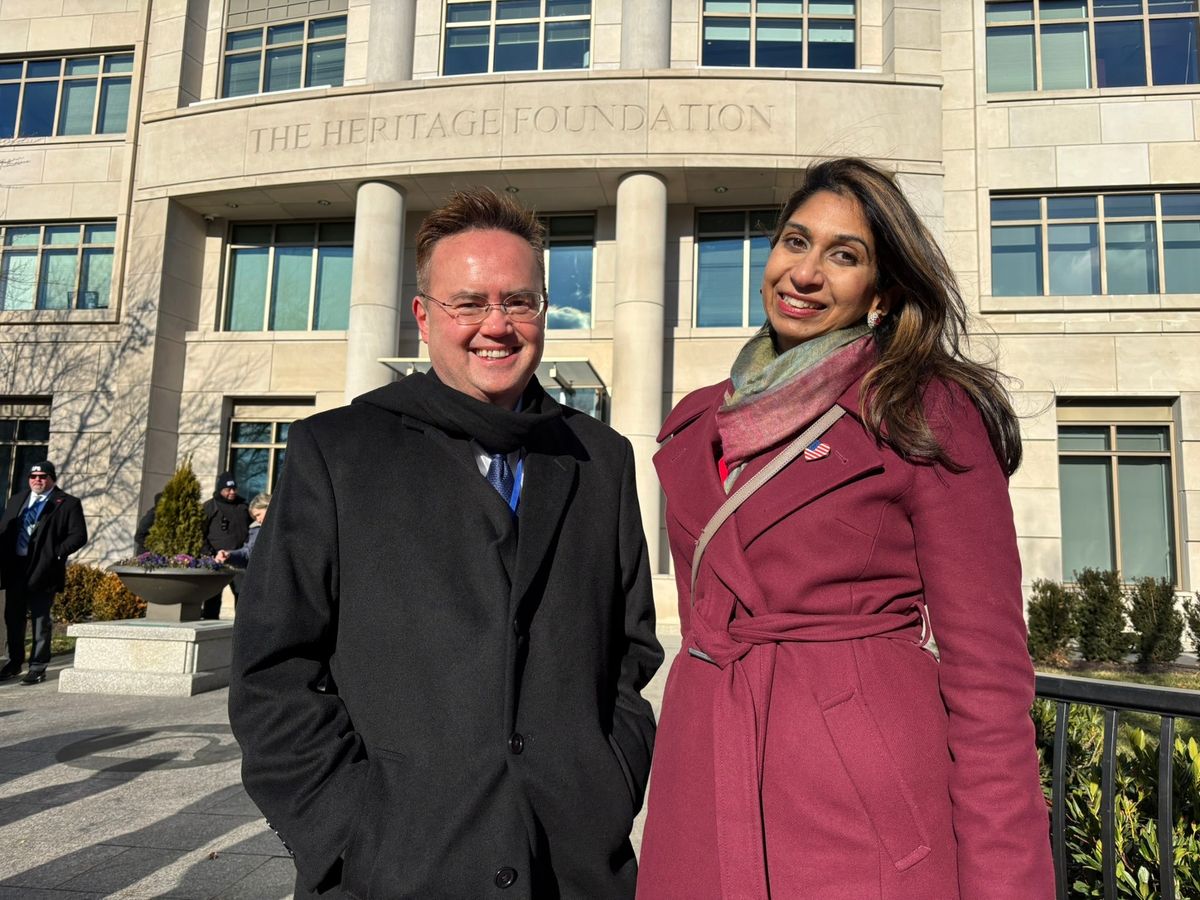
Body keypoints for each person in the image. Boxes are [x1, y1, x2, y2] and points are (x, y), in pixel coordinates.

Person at [228, 187, 663, 899]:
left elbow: (630, 650)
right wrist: (348, 829)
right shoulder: (337, 454)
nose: (497, 325)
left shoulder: (601, 458)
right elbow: (273, 669)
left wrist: (608, 781)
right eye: (470, 303)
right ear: (424, 318)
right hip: (395, 869)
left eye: (519, 301)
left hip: (574, 867)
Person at [637, 158, 1054, 899]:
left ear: (882, 293)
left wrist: (1008, 884)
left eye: (844, 255)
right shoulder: (700, 420)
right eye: (795, 243)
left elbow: (987, 678)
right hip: (703, 782)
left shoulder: (925, 413)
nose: (805, 273)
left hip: (858, 816)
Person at [0, 461, 88, 685]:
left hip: (44, 570)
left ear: (52, 478)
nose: (37, 480)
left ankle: (37, 667)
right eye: (33, 476)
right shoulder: (17, 500)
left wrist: (55, 554)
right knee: (13, 618)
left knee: (40, 620)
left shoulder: (67, 503)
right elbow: (5, 530)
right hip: (16, 569)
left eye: (43, 476)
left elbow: (78, 536)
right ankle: (14, 661)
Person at [200, 471, 249, 619]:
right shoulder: (210, 506)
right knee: (213, 597)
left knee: (242, 595)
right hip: (216, 560)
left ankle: (242, 627)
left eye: (234, 489)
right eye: (228, 490)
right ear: (221, 489)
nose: (232, 492)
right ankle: (210, 624)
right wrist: (209, 555)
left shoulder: (242, 506)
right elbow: (199, 533)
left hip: (239, 560)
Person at [215, 492, 269, 568]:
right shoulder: (256, 529)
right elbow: (248, 553)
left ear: (269, 507)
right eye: (255, 517)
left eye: (258, 515)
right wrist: (229, 555)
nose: (258, 520)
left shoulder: (288, 526)